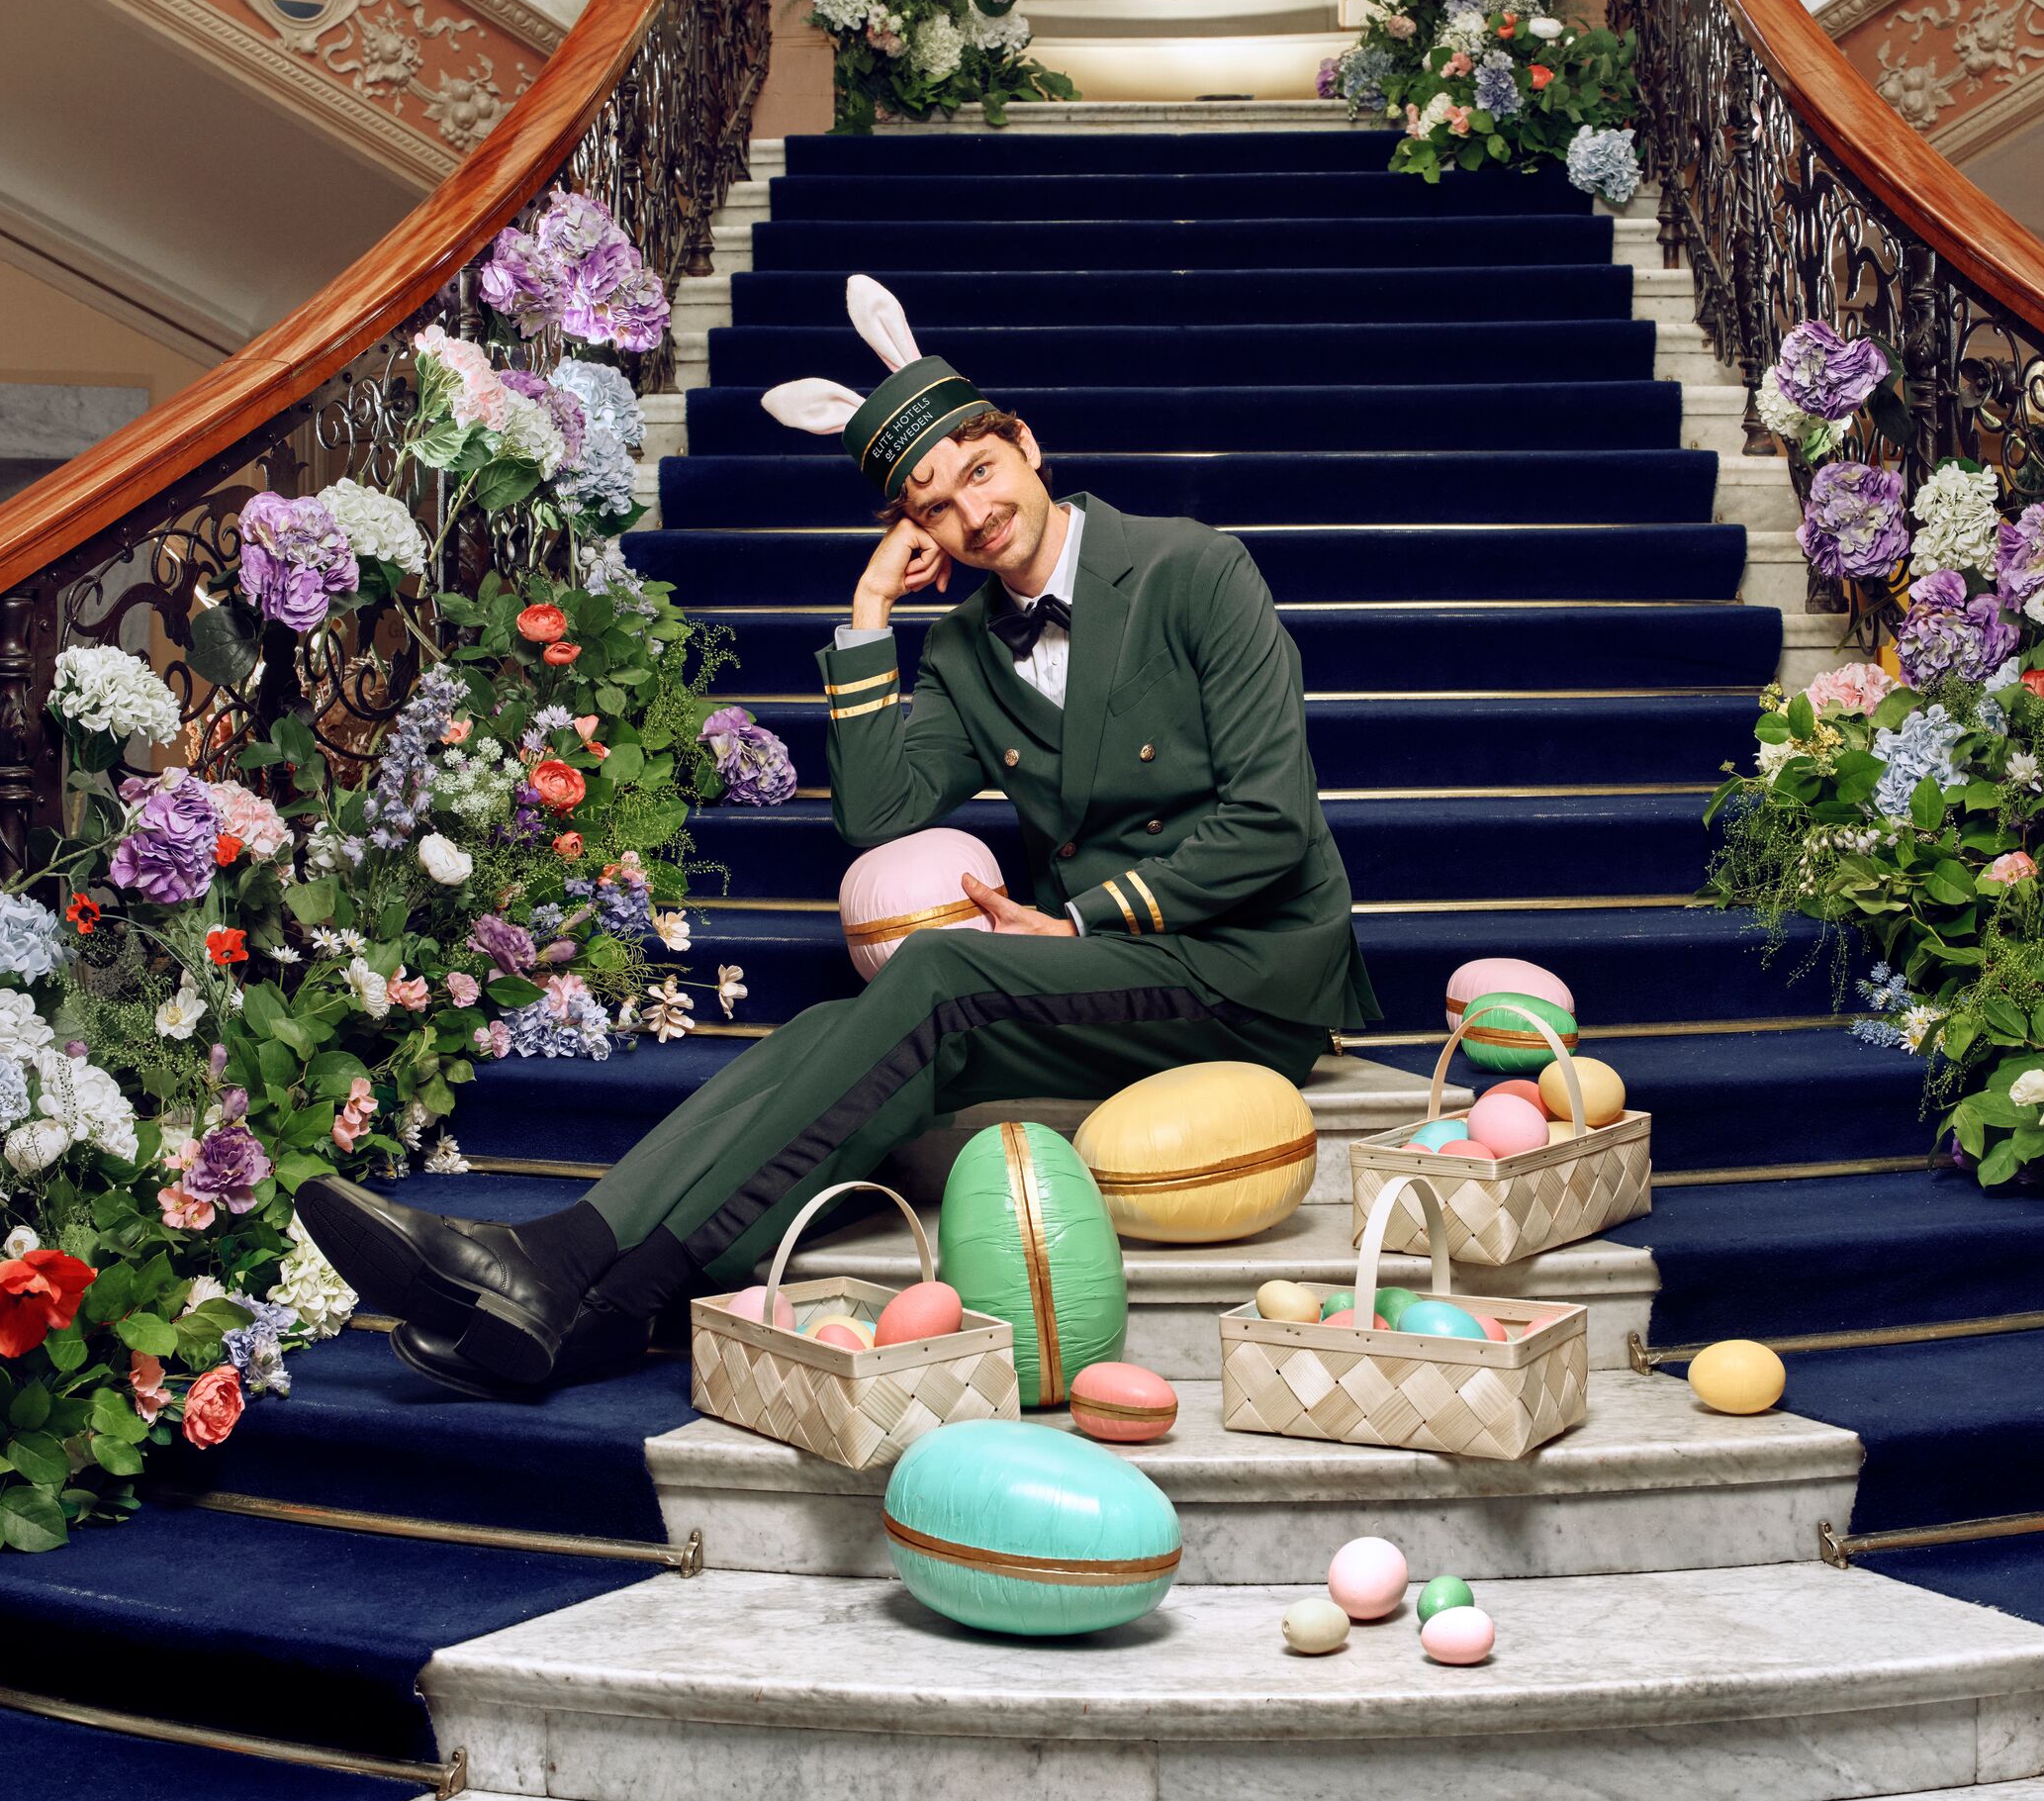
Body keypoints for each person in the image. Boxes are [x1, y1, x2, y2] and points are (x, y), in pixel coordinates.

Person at [299, 278, 1380, 1393]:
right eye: (933, 506)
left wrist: (1074, 921)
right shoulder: (963, 647)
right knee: (831, 1023)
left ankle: (599, 1287)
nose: (972, 512)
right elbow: (877, 816)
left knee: (944, 967)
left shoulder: (1191, 568)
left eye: (978, 468)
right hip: (1110, 968)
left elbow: (1271, 825)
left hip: (1249, 969)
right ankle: (577, 1285)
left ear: (1027, 445)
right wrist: (870, 620)